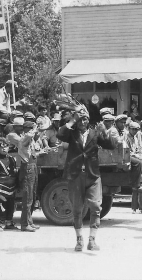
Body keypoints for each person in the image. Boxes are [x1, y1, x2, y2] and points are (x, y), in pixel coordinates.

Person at [56, 105, 115, 251]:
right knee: (77, 209)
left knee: (95, 206)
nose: (83, 121)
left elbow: (110, 145)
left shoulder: (95, 133)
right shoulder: (72, 133)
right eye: (80, 119)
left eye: (85, 119)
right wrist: (72, 120)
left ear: (89, 121)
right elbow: (60, 134)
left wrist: (105, 132)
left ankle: (92, 240)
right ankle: (79, 240)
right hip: (75, 175)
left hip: (92, 175)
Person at [0, 138, 20, 231]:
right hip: (1, 187)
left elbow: (15, 172)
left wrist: (17, 185)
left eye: (6, 146)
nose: (4, 149)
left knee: (11, 205)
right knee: (0, 206)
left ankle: (9, 222)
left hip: (12, 186)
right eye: (1, 147)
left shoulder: (12, 159)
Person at [18, 121, 41, 232]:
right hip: (28, 168)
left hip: (32, 167)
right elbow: (30, 135)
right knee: (27, 197)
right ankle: (25, 223)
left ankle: (29, 221)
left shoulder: (30, 140)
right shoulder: (25, 138)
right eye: (31, 128)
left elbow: (33, 153)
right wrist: (35, 129)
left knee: (32, 196)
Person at [126, 121, 142, 214]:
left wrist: (140, 155)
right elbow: (126, 151)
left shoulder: (136, 138)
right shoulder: (126, 137)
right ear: (129, 129)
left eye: (136, 129)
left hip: (136, 157)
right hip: (127, 157)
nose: (134, 131)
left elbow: (138, 149)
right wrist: (137, 155)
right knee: (141, 163)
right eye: (133, 129)